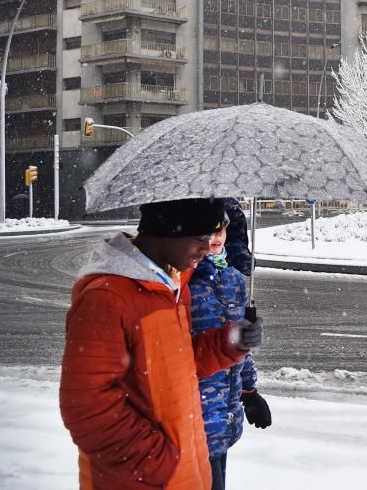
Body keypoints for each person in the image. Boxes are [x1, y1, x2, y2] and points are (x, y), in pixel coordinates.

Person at [60, 198, 264, 489]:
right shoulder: (107, 298)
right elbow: (87, 409)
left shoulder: (169, 287)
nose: (207, 248)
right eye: (200, 238)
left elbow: (179, 365)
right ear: (169, 231)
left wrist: (231, 342)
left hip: (185, 472)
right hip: (145, 479)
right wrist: (161, 462)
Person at [190, 199, 271, 490]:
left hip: (223, 414)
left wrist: (249, 391)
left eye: (223, 228)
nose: (217, 237)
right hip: (192, 417)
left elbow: (239, 350)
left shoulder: (233, 279)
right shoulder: (185, 281)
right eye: (209, 230)